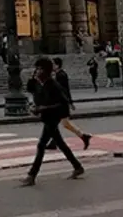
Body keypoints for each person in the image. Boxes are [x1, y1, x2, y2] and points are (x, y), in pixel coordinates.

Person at [22, 57, 84, 186]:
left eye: (40, 69)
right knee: (60, 143)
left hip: (53, 117)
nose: (37, 71)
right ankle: (77, 166)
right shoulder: (40, 84)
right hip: (47, 117)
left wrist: (43, 108)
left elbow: (63, 103)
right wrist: (35, 107)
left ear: (46, 71)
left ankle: (32, 175)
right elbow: (32, 91)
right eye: (36, 68)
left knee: (41, 145)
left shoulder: (53, 85)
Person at [47, 58, 92, 151]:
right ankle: (83, 136)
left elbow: (63, 90)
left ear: (57, 65)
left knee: (59, 123)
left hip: (61, 103)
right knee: (63, 123)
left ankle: (55, 142)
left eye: (53, 64)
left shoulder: (61, 75)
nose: (52, 66)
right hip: (61, 103)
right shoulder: (60, 74)